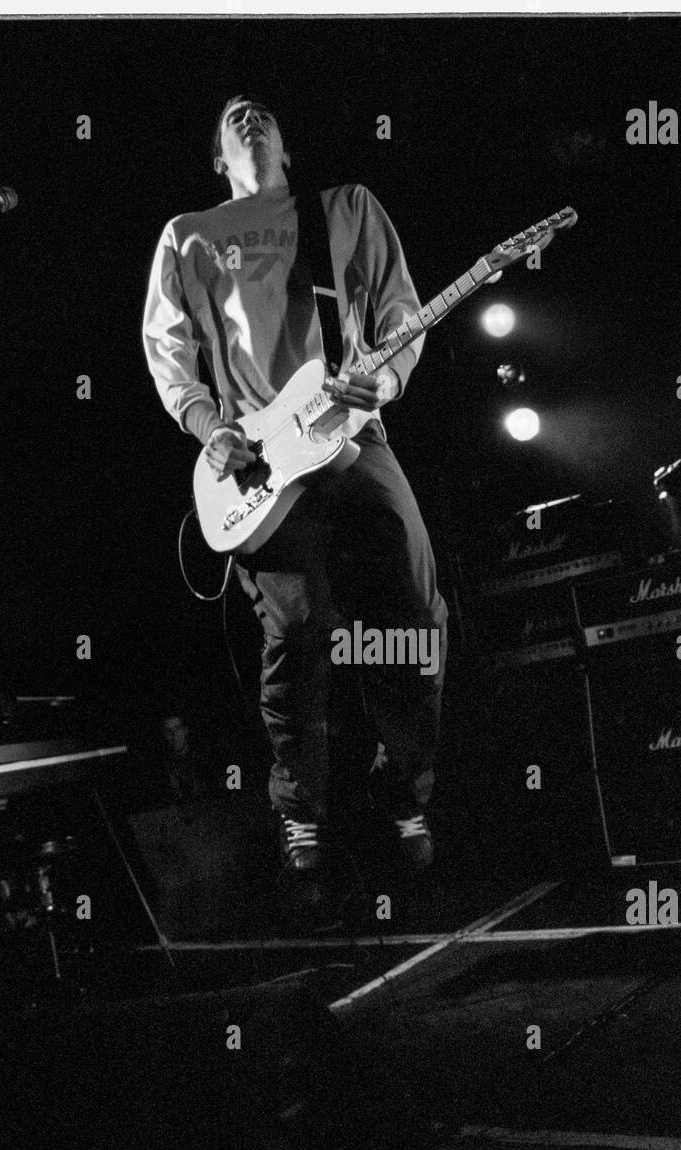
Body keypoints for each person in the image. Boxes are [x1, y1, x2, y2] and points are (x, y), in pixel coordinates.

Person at [143, 95, 447, 890]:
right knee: (299, 630)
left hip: (351, 434)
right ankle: (300, 812)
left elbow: (399, 307)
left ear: (286, 142)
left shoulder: (344, 208)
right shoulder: (189, 235)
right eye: (232, 116)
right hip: (256, 458)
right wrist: (210, 422)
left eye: (263, 112)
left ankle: (404, 787)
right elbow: (167, 348)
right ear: (217, 155)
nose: (248, 115)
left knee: (414, 603)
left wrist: (384, 375)